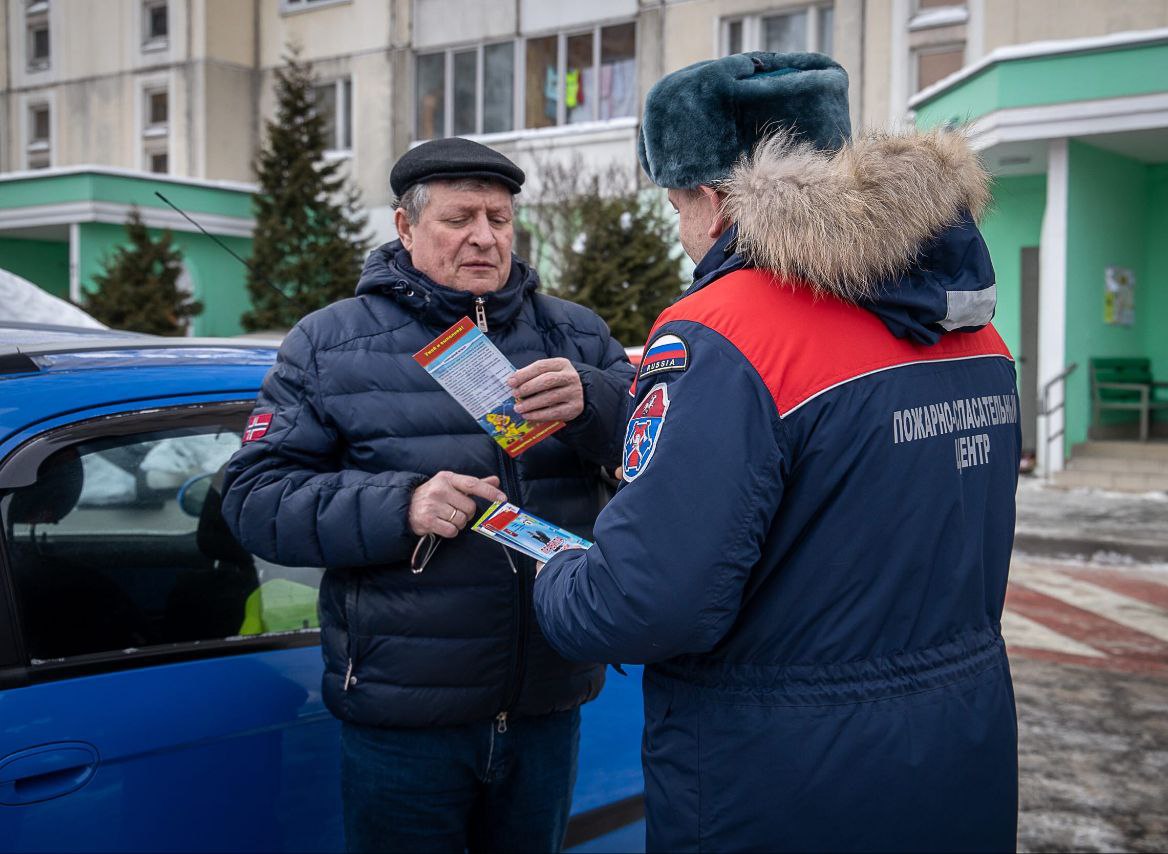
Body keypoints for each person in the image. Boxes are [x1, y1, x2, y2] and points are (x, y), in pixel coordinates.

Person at [533, 52, 1020, 852]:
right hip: (957, 744)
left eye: (677, 204)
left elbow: (647, 601)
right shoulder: (971, 328)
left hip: (779, 775)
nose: (683, 231)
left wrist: (555, 575)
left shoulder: (724, 329)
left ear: (715, 199)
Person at [221, 137, 635, 853]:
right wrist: (399, 505)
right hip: (403, 720)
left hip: (547, 703)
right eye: (459, 218)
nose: (483, 236)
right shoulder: (329, 344)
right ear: (405, 227)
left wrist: (597, 401)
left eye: (500, 219)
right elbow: (254, 499)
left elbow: (661, 463)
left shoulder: (574, 333)